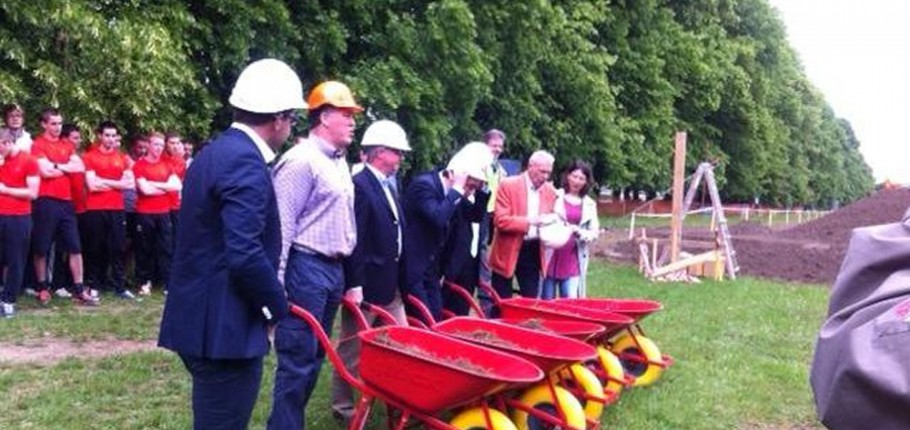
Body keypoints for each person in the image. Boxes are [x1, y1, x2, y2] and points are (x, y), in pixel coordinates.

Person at [158, 58, 300, 430]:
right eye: (293, 119)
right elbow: (245, 253)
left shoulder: (215, 152)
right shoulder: (244, 162)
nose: (290, 127)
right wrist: (276, 306)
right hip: (223, 329)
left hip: (206, 321)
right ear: (279, 118)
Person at [268, 80, 361, 430]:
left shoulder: (339, 162)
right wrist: (276, 284)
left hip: (332, 270)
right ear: (323, 117)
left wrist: (351, 279)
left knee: (315, 357)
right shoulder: (300, 161)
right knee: (297, 358)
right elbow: (282, 226)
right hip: (305, 267)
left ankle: (285, 424)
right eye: (346, 113)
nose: (353, 121)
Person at [330, 120, 411, 423]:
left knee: (403, 343)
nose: (401, 158)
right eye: (397, 152)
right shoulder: (361, 185)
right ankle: (343, 408)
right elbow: (356, 240)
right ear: (379, 153)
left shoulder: (389, 184)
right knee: (352, 350)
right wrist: (355, 284)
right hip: (366, 287)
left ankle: (398, 399)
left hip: (391, 285)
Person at [402, 143, 489, 321]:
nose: (470, 190)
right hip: (413, 267)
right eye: (470, 185)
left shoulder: (453, 195)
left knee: (436, 316)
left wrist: (482, 190)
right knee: (423, 320)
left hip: (432, 269)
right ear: (457, 176)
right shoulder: (425, 186)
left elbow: (475, 215)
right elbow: (438, 217)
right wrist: (457, 190)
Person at [29, 108, 96, 305]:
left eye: (59, 123)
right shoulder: (37, 145)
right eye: (53, 123)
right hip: (45, 199)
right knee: (42, 247)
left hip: (66, 202)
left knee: (75, 246)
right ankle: (42, 287)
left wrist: (56, 166)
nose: (57, 127)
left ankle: (78, 289)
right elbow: (45, 171)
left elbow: (79, 166)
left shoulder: (67, 145)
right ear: (44, 124)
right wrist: (63, 168)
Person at [489, 150, 558, 303]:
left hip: (533, 250)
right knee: (500, 300)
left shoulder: (550, 191)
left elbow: (553, 218)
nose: (545, 177)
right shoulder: (508, 185)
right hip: (507, 249)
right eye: (542, 172)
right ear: (530, 167)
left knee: (530, 300)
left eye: (548, 173)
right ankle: (497, 325)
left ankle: (525, 325)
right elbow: (500, 221)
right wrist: (530, 221)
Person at [82, 121, 136, 299]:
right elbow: (92, 185)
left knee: (118, 247)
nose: (111, 139)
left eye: (114, 136)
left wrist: (103, 181)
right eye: (107, 135)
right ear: (100, 136)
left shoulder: (122, 158)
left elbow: (129, 183)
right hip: (95, 208)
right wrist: (116, 184)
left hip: (116, 208)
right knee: (95, 247)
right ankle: (94, 284)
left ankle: (119, 286)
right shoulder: (89, 156)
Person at [540, 160, 600, 299]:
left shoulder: (590, 204)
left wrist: (579, 232)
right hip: (550, 256)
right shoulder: (555, 195)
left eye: (581, 178)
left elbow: (594, 232)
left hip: (573, 259)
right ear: (568, 176)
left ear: (586, 181)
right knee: (546, 302)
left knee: (570, 301)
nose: (577, 181)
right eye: (574, 176)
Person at [132, 132, 181, 295]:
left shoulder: (167, 164)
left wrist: (154, 184)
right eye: (155, 144)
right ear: (149, 146)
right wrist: (164, 185)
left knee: (166, 247)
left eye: (161, 145)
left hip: (164, 212)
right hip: (145, 212)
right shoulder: (140, 165)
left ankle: (168, 283)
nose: (158, 148)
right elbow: (144, 190)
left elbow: (177, 186)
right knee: (145, 248)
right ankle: (144, 282)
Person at [0, 128, 40, 317]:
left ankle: (9, 301)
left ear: (7, 143)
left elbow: (33, 193)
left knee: (15, 260)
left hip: (18, 216)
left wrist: (6, 189)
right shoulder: (2, 161)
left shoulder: (28, 160)